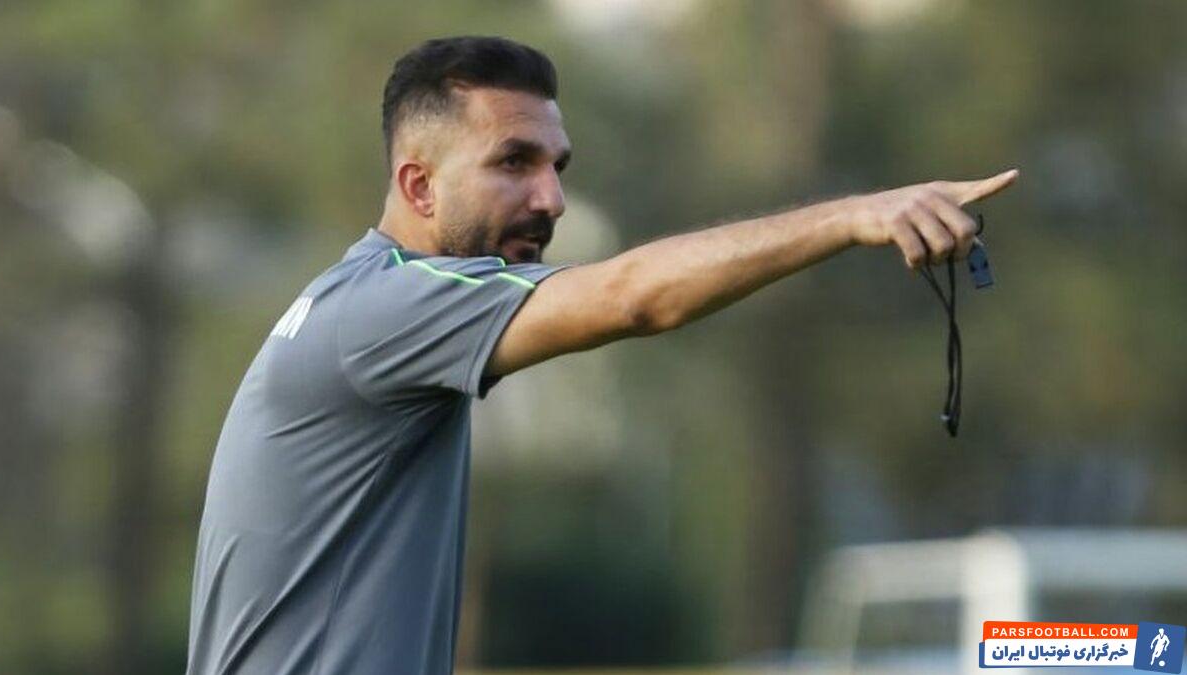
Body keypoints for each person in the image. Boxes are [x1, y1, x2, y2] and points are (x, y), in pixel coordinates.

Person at [185, 35, 1018, 674]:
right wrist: (856, 216)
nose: (551, 197)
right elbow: (635, 297)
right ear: (419, 186)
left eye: (557, 166)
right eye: (514, 162)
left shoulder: (362, 301)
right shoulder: (389, 306)